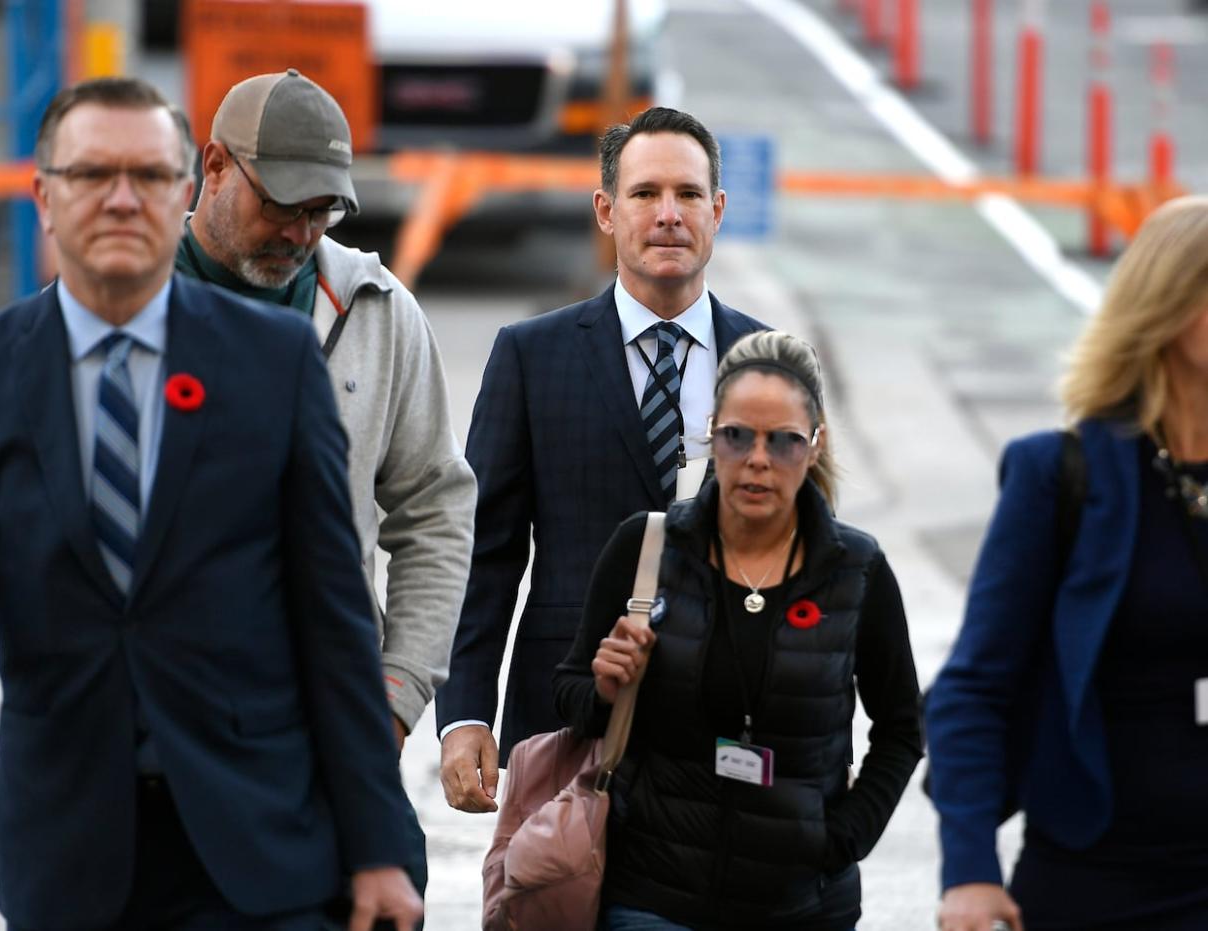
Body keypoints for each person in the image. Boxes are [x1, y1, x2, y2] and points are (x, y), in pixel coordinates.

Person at [0, 77, 421, 930]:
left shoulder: (274, 363)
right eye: (92, 174)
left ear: (186, 186)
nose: (121, 198)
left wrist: (380, 846)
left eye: (147, 174)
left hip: (257, 845)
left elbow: (332, 619)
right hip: (65, 852)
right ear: (43, 196)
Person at [436, 106, 768, 812]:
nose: (668, 214)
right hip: (562, 713)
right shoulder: (531, 356)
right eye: (645, 194)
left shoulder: (769, 363)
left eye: (687, 195)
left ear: (718, 210)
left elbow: (809, 561)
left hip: (723, 720)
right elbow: (484, 554)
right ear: (606, 211)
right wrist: (466, 713)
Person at [553, 330, 923, 929]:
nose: (757, 459)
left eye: (783, 442)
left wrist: (840, 840)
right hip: (652, 896)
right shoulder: (647, 548)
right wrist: (604, 686)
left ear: (815, 445)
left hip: (799, 904)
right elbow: (569, 694)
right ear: (710, 434)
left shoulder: (856, 571)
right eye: (737, 436)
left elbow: (903, 729)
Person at [927, 195, 1208, 931]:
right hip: (1097, 880)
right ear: (1170, 305)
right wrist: (970, 869)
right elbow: (973, 689)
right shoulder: (1061, 475)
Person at [177, 69, 476, 750]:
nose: (301, 232)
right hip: (159, 723)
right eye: (283, 205)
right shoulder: (126, 303)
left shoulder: (378, 309)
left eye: (322, 211)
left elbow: (436, 506)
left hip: (325, 721)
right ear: (216, 165)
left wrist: (398, 691)